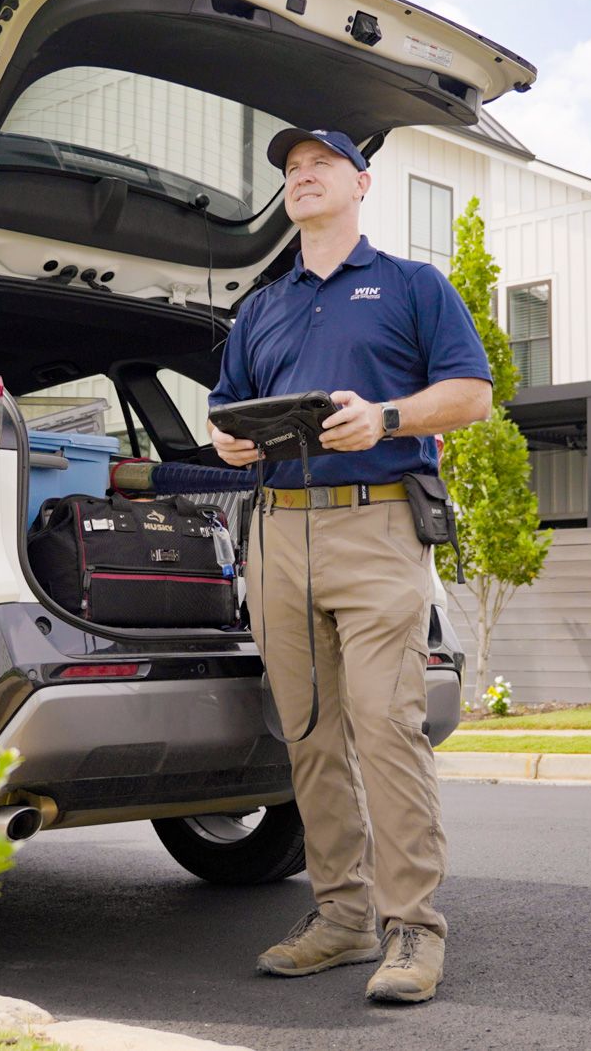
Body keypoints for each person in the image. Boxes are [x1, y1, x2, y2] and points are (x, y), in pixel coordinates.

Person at [208, 127, 493, 1005]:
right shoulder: (261, 308)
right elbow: (223, 422)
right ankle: (340, 918)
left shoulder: (412, 286)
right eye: (291, 170)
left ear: (362, 183)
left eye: (320, 164)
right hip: (279, 535)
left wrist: (389, 418)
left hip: (375, 530)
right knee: (310, 735)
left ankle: (414, 929)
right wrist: (231, 441)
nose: (302, 176)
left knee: (384, 725)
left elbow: (472, 395)